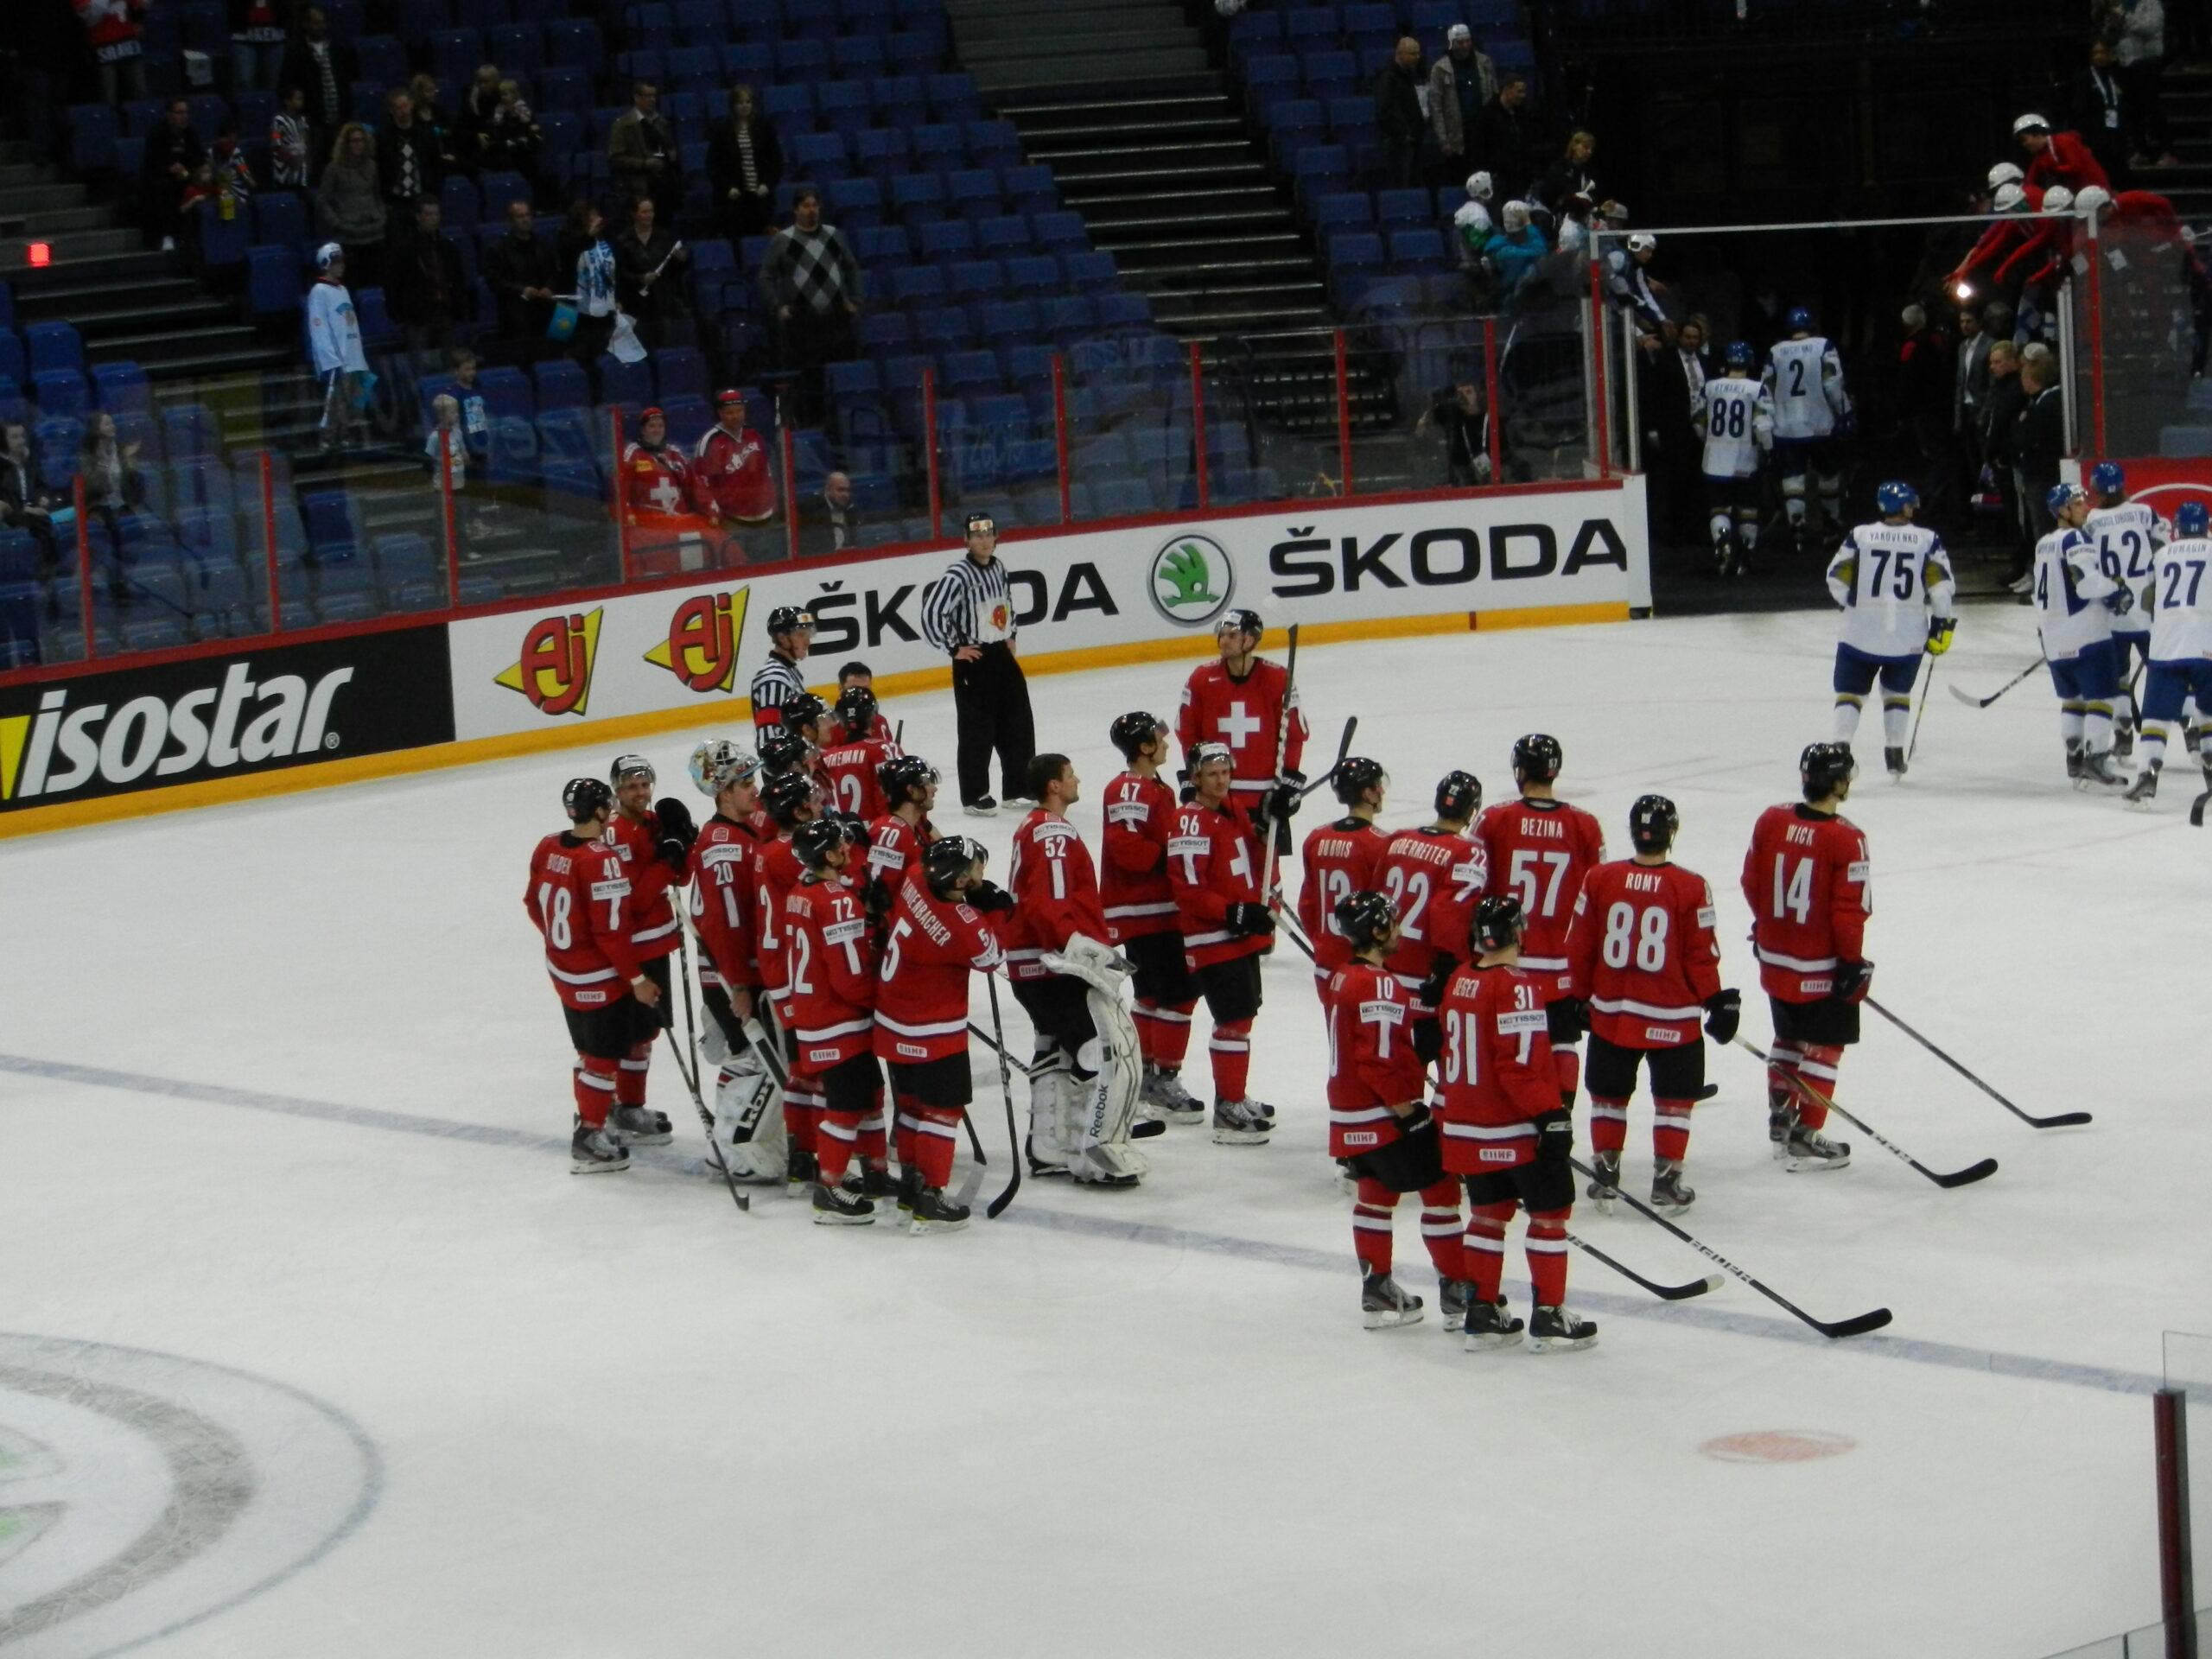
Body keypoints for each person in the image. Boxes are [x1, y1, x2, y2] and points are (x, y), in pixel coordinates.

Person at [1436, 895, 1598, 1353]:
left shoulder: (1460, 979)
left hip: (1468, 1126)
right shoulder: (1518, 987)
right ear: (1519, 933)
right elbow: (1518, 1066)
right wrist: (1550, 1114)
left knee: (1487, 1215)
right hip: (1515, 1128)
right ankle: (1548, 1315)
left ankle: (1483, 1313)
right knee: (1549, 1218)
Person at [1563, 795, 1734, 1217]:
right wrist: (1715, 999)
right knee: (1674, 1100)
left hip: (1614, 1015)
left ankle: (1605, 1171)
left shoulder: (1600, 879)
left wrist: (1578, 996)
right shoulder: (1691, 886)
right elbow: (1700, 954)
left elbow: (1580, 944)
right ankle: (1667, 1180)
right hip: (1673, 1020)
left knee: (1608, 1096)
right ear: (1670, 832)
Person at [1003, 754, 1148, 1187]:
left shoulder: (1030, 826)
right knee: (1093, 1053)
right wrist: (1073, 945)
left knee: (1053, 1049)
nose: (1077, 779)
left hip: (1029, 964)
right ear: (1054, 785)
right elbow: (1049, 899)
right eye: (1070, 775)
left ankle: (1048, 1147)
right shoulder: (1051, 832)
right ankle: (1093, 1155)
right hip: (1052, 964)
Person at [1325, 892, 1465, 1331]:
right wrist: (1407, 1111)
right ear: (1379, 930)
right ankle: (1461, 1295)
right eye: (1395, 923)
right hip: (1381, 1113)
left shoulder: (1342, 977)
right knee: (1441, 1192)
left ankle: (1379, 1290)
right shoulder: (1379, 984)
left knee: (1375, 1194)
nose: (1401, 930)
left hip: (1348, 1113)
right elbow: (1377, 1059)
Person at [524, 778, 665, 1173]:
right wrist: (636, 979)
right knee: (603, 1058)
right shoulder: (602, 859)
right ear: (602, 810)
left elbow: (534, 904)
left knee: (589, 1053)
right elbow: (610, 932)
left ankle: (597, 1118)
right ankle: (589, 1134)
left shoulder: (548, 845)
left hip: (564, 972)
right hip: (599, 978)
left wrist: (561, 947)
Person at [873, 835, 1008, 1231]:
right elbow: (993, 956)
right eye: (975, 868)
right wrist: (997, 910)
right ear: (961, 879)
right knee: (942, 1112)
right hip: (932, 1030)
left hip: (892, 1017)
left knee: (913, 1106)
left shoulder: (916, 877)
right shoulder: (963, 923)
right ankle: (931, 1197)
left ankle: (911, 1188)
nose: (981, 869)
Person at [1742, 743, 1867, 1173]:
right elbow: (1847, 910)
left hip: (1775, 960)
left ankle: (1781, 1117)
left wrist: (1765, 927)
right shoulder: (1847, 838)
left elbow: (1750, 880)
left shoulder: (1772, 819)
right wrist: (1851, 961)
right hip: (1820, 966)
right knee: (1826, 1047)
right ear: (1836, 781)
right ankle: (1805, 1133)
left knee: (1789, 1038)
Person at [1475, 735, 1606, 1116]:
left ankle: (1502, 1125)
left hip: (1505, 959)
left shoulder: (1495, 819)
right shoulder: (1585, 826)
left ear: (1519, 770)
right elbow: (1596, 901)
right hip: (1562, 966)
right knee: (1562, 1042)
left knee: (1502, 1045)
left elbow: (1473, 888)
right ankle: (1559, 1122)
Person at [780, 816, 893, 1223]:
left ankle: (876, 1174)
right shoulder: (836, 900)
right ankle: (828, 1189)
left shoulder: (801, 891)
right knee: (845, 1105)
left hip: (815, 1014)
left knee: (869, 1095)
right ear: (828, 855)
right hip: (839, 1017)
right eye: (841, 845)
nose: (848, 849)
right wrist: (879, 1000)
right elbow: (848, 975)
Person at [683, 739, 785, 1184]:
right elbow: (724, 924)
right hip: (732, 977)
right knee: (754, 1060)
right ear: (723, 792)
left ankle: (728, 1144)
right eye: (746, 783)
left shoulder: (738, 832)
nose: (754, 790)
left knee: (745, 1058)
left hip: (734, 973)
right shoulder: (724, 845)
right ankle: (733, 1151)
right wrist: (739, 984)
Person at [1166, 741, 1275, 1145]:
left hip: (1239, 936)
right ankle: (1227, 1110)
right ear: (1194, 777)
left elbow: (1257, 854)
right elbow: (1188, 890)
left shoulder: (1232, 812)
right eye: (1212, 773)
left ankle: (1234, 1095)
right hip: (1213, 937)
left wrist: (1270, 818)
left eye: (1225, 771)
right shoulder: (1189, 822)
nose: (1221, 779)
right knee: (1231, 1019)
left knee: (1243, 1016)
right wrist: (1233, 913)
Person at [1100, 710, 1205, 1124]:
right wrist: (1177, 855)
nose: (1165, 743)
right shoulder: (1130, 788)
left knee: (1150, 994)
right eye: (1158, 739)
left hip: (1150, 909)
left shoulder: (1153, 787)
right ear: (1143, 747)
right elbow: (1129, 851)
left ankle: (1144, 1073)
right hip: (1148, 909)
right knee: (1179, 994)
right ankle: (1164, 1078)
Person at [1825, 481, 1956, 779]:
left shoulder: (1860, 535)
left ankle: (1840, 749)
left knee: (1850, 694)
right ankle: (1895, 753)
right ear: (1904, 506)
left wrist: (1850, 604)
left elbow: (1836, 577)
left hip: (1859, 631)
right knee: (1898, 693)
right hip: (1907, 633)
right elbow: (1940, 590)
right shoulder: (1927, 539)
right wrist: (1941, 624)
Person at [600, 753, 690, 1149]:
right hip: (630, 951)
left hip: (658, 942)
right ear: (617, 791)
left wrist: (685, 841)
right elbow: (634, 899)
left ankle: (631, 1106)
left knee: (646, 1033)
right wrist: (667, 862)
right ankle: (604, 1106)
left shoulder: (654, 823)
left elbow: (682, 877)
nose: (640, 793)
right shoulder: (616, 835)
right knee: (620, 1035)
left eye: (644, 785)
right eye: (631, 787)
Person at [921, 512, 1035, 816]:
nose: (984, 541)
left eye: (989, 534)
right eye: (977, 536)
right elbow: (932, 612)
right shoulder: (958, 574)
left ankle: (1018, 787)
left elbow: (1006, 603)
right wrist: (953, 648)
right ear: (967, 540)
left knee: (1018, 722)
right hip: (975, 660)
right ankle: (975, 794)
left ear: (996, 537)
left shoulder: (998, 568)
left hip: (1001, 654)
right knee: (977, 729)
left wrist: (1011, 633)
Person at [1372, 771, 1487, 1066]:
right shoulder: (1467, 852)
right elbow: (1448, 911)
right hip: (1428, 979)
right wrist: (1448, 967)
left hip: (1387, 970)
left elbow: (1375, 897)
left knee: (1392, 1065)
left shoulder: (1396, 840)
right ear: (1471, 811)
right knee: (1446, 1068)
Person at [1175, 607, 1309, 846]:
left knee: (1266, 877)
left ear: (1250, 640)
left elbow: (1294, 735)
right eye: (1222, 634)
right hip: (1217, 795)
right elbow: (1188, 734)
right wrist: (1192, 777)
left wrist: (1289, 783)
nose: (1224, 640)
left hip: (1265, 797)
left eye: (1232, 635)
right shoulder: (1201, 679)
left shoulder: (1278, 678)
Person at [2033, 481, 2133, 787]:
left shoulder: (2043, 543)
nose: (2086, 507)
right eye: (2078, 503)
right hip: (2086, 633)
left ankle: (2074, 760)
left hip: (2052, 635)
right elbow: (2087, 584)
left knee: (2073, 701)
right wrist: (2116, 589)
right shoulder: (2077, 538)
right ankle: (2097, 758)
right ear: (2062, 510)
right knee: (2103, 697)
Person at [2124, 499, 2212, 806]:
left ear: (2176, 528)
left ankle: (2146, 779)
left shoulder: (2160, 555)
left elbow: (2148, 601)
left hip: (2165, 645)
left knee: (2155, 719)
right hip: (2206, 643)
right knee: (2209, 711)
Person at [2084, 460, 2168, 760]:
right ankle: (2195, 734)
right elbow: (2165, 549)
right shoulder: (2145, 513)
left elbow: (2087, 570)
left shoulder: (2090, 521)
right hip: (2147, 613)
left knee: (2118, 679)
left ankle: (2123, 735)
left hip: (2112, 614)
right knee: (2165, 674)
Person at [759, 188, 862, 423]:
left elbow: (852, 267)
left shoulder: (834, 235)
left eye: (814, 205)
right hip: (803, 320)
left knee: (842, 373)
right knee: (810, 377)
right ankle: (815, 422)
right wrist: (777, 307)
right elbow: (765, 277)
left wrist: (856, 299)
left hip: (836, 317)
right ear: (796, 210)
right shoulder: (783, 240)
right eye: (805, 206)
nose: (811, 210)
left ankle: (843, 419)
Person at [1295, 756, 1391, 998]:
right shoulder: (1380, 844)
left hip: (1326, 962)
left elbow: (1307, 906)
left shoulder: (1316, 838)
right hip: (1365, 965)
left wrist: (1322, 944)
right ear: (1368, 794)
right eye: (1377, 786)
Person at [1762, 308, 1852, 553]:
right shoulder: (1823, 346)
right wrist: (1843, 412)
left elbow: (1766, 389)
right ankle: (1831, 523)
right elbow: (1833, 382)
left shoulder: (1775, 351)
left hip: (1786, 425)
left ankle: (1796, 525)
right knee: (1828, 474)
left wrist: (1768, 423)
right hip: (1820, 421)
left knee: (1792, 477)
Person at [1696, 340, 1774, 577]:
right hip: (1744, 460)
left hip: (1714, 460)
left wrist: (1709, 443)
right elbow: (1762, 425)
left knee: (1718, 507)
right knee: (1748, 510)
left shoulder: (1710, 387)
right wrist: (1768, 450)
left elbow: (1699, 422)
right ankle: (1747, 554)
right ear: (1750, 361)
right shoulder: (1757, 388)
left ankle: (1722, 540)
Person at [386, 196, 465, 368]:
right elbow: (393, 285)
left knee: (449, 366)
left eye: (436, 214)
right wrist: (400, 317)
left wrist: (457, 309)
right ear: (418, 217)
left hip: (445, 314)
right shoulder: (404, 249)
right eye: (428, 214)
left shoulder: (447, 248)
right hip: (417, 319)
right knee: (421, 368)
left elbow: (458, 280)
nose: (434, 218)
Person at [305, 244, 368, 452]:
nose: (341, 266)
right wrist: (330, 359)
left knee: (349, 400)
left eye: (342, 261)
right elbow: (319, 328)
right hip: (337, 358)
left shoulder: (343, 290)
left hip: (351, 355)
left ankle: (344, 435)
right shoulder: (319, 292)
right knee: (335, 402)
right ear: (326, 264)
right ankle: (328, 438)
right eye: (336, 262)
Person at [693, 389, 775, 547]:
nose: (736, 416)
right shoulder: (711, 442)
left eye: (739, 411)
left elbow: (766, 470)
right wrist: (713, 513)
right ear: (720, 413)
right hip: (734, 521)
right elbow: (701, 483)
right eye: (730, 412)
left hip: (766, 516)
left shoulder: (752, 433)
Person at [74, 412, 143, 601]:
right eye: (107, 423)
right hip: (98, 506)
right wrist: (104, 467)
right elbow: (92, 485)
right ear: (96, 429)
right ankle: (108, 582)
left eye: (112, 422)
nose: (112, 426)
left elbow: (135, 491)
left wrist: (130, 466)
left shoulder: (121, 452)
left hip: (120, 505)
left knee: (133, 533)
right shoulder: (87, 455)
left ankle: (119, 580)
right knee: (109, 535)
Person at [483, 200, 561, 359]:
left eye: (527, 215)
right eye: (520, 216)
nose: (525, 220)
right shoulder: (498, 249)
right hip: (517, 315)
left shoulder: (543, 245)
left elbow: (554, 272)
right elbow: (494, 282)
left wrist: (549, 287)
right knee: (524, 357)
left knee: (553, 352)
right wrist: (522, 290)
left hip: (544, 309)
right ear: (510, 221)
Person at [613, 194, 690, 350]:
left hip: (661, 301)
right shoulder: (623, 240)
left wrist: (681, 261)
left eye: (651, 211)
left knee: (665, 346)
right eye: (644, 212)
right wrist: (641, 278)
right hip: (635, 303)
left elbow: (673, 272)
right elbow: (619, 273)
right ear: (634, 214)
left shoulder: (663, 236)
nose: (649, 216)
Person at [708, 85, 783, 243]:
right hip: (734, 198)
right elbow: (713, 165)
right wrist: (727, 188)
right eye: (740, 102)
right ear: (733, 106)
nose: (744, 106)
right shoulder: (722, 131)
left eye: (748, 102)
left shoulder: (764, 128)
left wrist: (768, 184)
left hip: (760, 196)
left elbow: (776, 161)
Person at [815, 685, 899, 819]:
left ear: (841, 722)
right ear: (872, 716)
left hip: (843, 837)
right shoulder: (883, 750)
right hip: (880, 834)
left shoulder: (824, 759)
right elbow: (898, 804)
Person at [315, 124, 384, 285]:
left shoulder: (372, 166)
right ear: (345, 143)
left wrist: (381, 217)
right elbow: (323, 200)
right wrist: (337, 223)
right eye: (354, 141)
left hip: (374, 234)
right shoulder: (334, 169)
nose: (359, 144)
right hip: (349, 236)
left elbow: (377, 195)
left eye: (362, 141)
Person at [1427, 25, 1495, 187]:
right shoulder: (1440, 68)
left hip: (1482, 127)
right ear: (1452, 44)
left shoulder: (1484, 62)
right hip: (1456, 131)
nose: (1465, 46)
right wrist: (1443, 140)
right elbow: (1436, 106)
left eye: (1467, 41)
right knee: (1460, 177)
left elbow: (1493, 93)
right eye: (1460, 42)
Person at [559, 200, 619, 372]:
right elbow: (572, 265)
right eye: (593, 215)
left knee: (600, 350)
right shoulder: (566, 239)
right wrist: (588, 237)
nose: (598, 218)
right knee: (575, 351)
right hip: (572, 305)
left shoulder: (601, 240)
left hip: (599, 303)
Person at [609, 79, 681, 219]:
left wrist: (671, 154)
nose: (652, 100)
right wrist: (643, 163)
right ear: (636, 98)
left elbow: (670, 147)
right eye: (648, 96)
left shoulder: (662, 123)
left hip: (664, 186)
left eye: (654, 96)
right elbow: (616, 159)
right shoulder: (623, 125)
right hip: (640, 189)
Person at [279, 7, 356, 136]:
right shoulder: (296, 53)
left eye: (323, 22)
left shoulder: (337, 50)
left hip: (339, 118)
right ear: (306, 25)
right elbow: (287, 84)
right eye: (316, 23)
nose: (321, 27)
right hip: (312, 121)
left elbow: (347, 80)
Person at [140, 99, 203, 254]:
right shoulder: (157, 134)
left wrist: (194, 170)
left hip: (186, 177)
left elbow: (199, 158)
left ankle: (194, 237)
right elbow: (152, 162)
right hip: (161, 178)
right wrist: (170, 168)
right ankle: (167, 236)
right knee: (164, 188)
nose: (185, 116)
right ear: (168, 115)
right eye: (180, 112)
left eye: (186, 112)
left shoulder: (191, 134)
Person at [2071, 39, 2135, 188]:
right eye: (2095, 53)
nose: (2099, 56)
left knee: (2119, 174)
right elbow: (2079, 111)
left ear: (2110, 55)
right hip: (2095, 136)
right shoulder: (2084, 78)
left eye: (2103, 52)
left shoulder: (2118, 76)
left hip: (2117, 134)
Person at [376, 90, 441, 228]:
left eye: (405, 106)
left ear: (412, 105)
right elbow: (380, 169)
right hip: (395, 202)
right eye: (398, 107)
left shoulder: (426, 134)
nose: (403, 111)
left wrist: (434, 195)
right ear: (391, 110)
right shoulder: (383, 137)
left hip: (422, 198)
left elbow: (436, 166)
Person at [1414, 380, 1492, 486]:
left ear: (1478, 394)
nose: (1463, 397)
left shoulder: (1489, 419)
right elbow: (1424, 428)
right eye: (1460, 394)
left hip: (1483, 466)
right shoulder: (1453, 417)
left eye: (1468, 392)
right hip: (1461, 469)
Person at [749, 604, 815, 732]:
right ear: (782, 638)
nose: (808, 642)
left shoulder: (788, 671)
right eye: (801, 635)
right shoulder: (774, 678)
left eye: (808, 635)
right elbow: (769, 735)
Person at [2015, 111, 2111, 195]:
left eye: (2025, 140)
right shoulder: (2043, 154)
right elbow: (2030, 179)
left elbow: (2076, 166)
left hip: (2095, 191)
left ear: (2037, 134)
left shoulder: (2064, 141)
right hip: (2078, 193)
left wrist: (2054, 168)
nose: (2024, 145)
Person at [1374, 36, 1426, 191]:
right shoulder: (1388, 78)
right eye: (1413, 54)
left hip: (1412, 141)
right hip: (1398, 145)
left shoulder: (1408, 76)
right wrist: (1403, 134)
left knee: (1414, 184)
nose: (1417, 57)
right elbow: (1384, 111)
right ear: (1400, 54)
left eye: (1418, 53)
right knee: (1401, 186)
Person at [1475, 73, 1536, 200]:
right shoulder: (1488, 114)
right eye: (1519, 91)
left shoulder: (1522, 113)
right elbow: (1480, 147)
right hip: (1498, 177)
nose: (1523, 96)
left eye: (1524, 92)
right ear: (1506, 89)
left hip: (1519, 174)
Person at [79, 0, 149, 107]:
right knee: (108, 92)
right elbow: (89, 18)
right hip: (102, 44)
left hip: (128, 40)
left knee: (138, 88)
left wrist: (138, 21)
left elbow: (140, 4)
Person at [797, 471, 865, 556]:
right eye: (840, 490)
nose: (845, 495)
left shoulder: (851, 509)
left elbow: (857, 541)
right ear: (828, 490)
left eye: (847, 491)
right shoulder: (811, 509)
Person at [833, 663, 895, 741]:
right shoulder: (829, 726)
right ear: (840, 688)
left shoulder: (878, 721)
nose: (860, 694)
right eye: (853, 689)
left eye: (866, 689)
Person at [270, 85, 313, 190]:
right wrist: (290, 160)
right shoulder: (278, 121)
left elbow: (306, 140)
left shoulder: (303, 120)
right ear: (288, 101)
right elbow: (276, 143)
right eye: (297, 99)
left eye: (302, 99)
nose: (301, 102)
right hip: (285, 172)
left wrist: (307, 159)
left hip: (301, 172)